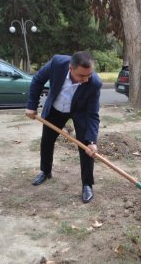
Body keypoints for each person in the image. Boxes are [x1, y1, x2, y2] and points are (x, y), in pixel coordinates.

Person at [25, 51, 102, 203]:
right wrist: (31, 106)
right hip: (56, 108)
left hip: (80, 112)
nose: (86, 79)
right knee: (47, 141)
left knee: (86, 147)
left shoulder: (94, 83)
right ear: (70, 68)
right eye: (81, 76)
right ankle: (45, 171)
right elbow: (37, 81)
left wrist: (92, 141)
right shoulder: (57, 63)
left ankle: (87, 184)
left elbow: (93, 113)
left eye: (89, 75)